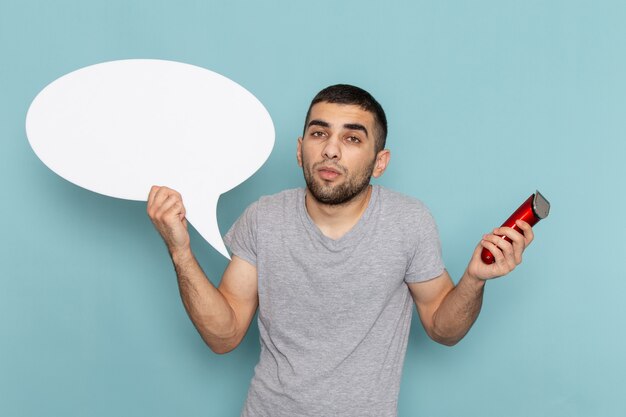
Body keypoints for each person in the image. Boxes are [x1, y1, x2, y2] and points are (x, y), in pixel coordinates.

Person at [147, 84, 534, 417]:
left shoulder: (408, 222)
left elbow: (442, 329)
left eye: (352, 138)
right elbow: (224, 336)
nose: (331, 150)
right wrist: (180, 250)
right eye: (319, 134)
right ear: (300, 150)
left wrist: (473, 280)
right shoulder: (263, 219)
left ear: (379, 162)